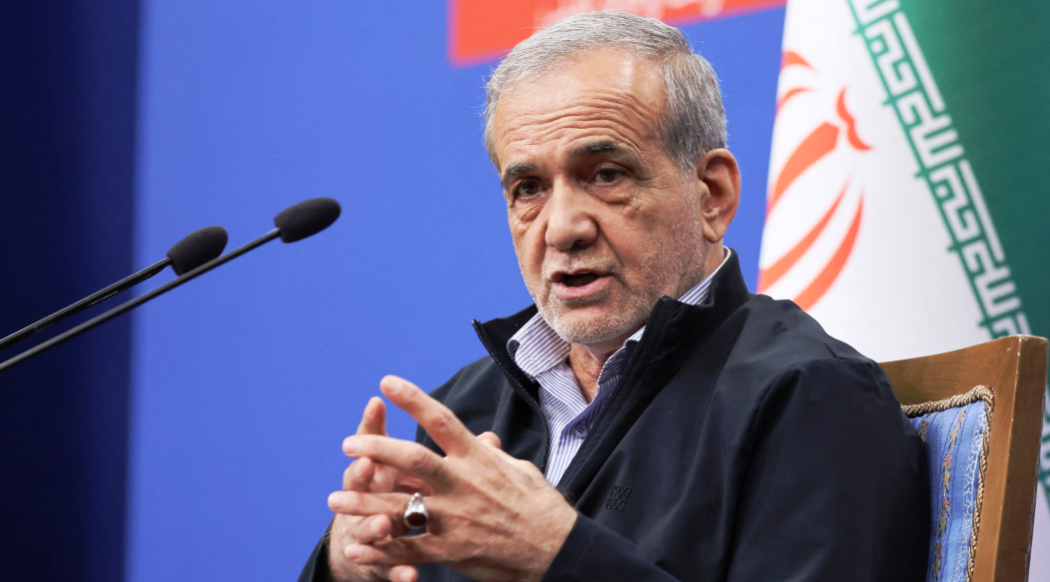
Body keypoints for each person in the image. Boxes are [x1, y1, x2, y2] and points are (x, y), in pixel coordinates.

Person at [299, 10, 929, 582]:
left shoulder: (810, 395)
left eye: (606, 175)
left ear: (711, 196)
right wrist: (348, 564)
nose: (562, 228)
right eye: (528, 188)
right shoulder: (465, 410)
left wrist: (558, 555)